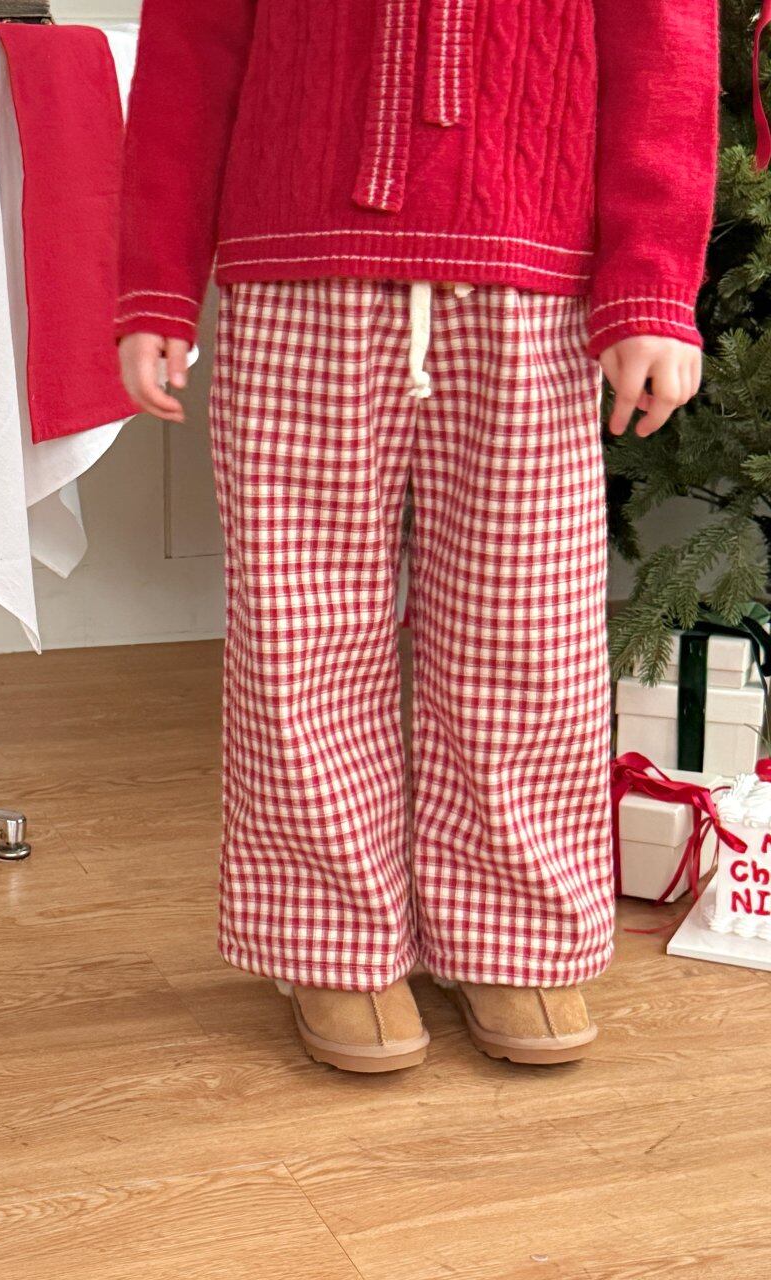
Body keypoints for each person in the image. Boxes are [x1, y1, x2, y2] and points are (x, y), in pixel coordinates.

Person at [116, 0, 715, 1070]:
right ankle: (330, 939)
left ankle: (512, 930)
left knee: (523, 633)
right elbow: (188, 54)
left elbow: (663, 52)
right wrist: (156, 281)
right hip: (296, 270)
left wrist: (651, 289)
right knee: (300, 633)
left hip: (529, 278)